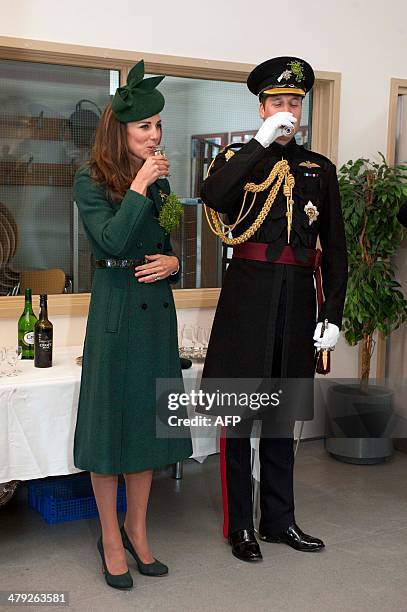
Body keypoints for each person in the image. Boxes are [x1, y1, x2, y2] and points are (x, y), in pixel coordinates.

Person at [201, 56, 348, 562]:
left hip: (297, 303)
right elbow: (213, 195)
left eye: (294, 103)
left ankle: (280, 521)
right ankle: (240, 524)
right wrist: (260, 141)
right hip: (247, 300)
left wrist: (332, 313)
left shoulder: (319, 169)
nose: (287, 111)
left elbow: (336, 248)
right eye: (278, 102)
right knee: (238, 419)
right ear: (262, 106)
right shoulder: (239, 159)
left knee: (283, 421)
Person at [73, 59, 192, 589]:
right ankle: (111, 538)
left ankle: (138, 529)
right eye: (145, 126)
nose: (155, 135)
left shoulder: (164, 182)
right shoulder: (91, 179)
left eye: (159, 125)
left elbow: (166, 244)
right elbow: (114, 244)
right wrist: (143, 182)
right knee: (109, 432)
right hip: (116, 313)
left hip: (155, 318)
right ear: (119, 131)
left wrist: (175, 265)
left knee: (148, 429)